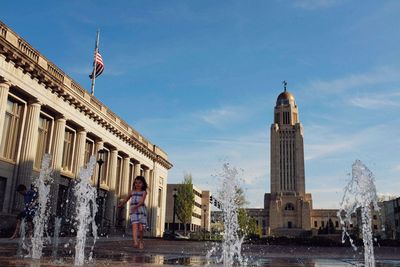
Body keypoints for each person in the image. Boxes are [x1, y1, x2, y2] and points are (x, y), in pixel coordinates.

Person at [118, 176, 148, 249]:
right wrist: (121, 204)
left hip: (141, 211)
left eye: (140, 183)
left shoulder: (144, 192)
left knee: (141, 228)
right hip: (133, 212)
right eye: (136, 183)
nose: (137, 184)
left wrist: (136, 206)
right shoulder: (132, 192)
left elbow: (142, 202)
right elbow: (126, 199)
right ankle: (135, 242)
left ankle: (140, 241)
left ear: (143, 184)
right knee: (134, 226)